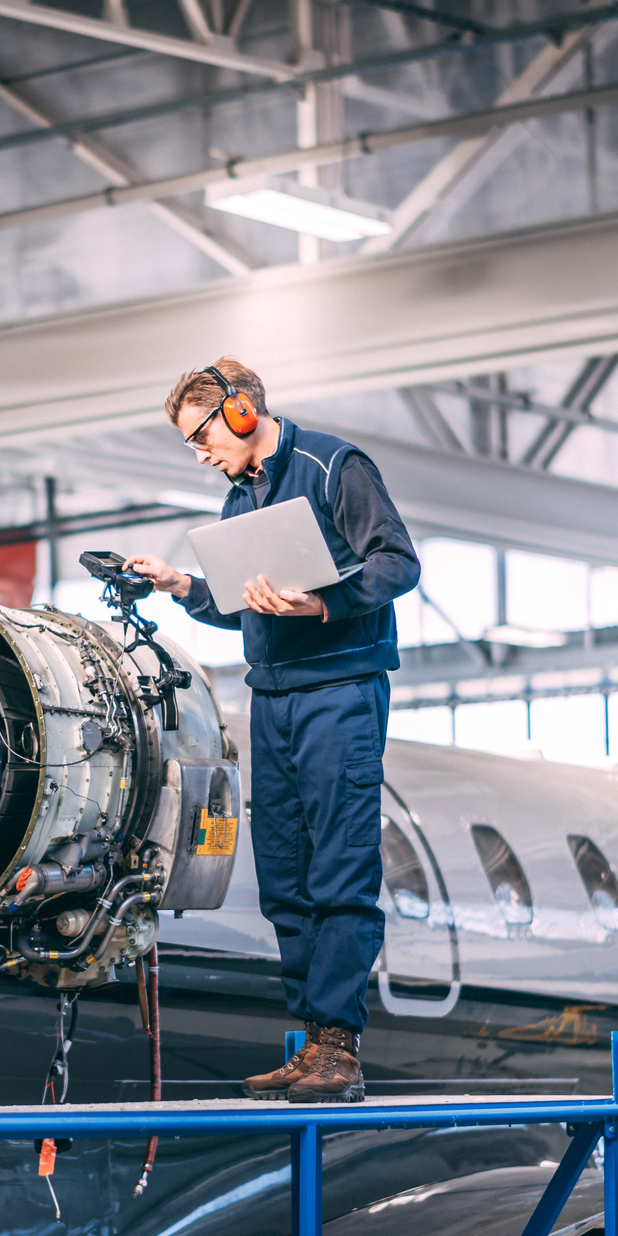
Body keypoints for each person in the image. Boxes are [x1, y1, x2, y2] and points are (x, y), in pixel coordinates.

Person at [127, 359, 420, 1104]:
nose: (200, 453)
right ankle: (309, 1042)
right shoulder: (240, 502)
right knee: (285, 874)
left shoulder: (334, 467)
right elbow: (239, 604)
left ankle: (339, 1047)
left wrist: (323, 605)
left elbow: (397, 563)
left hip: (339, 693)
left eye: (201, 436)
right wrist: (179, 585)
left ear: (241, 412)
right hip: (275, 698)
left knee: (339, 866)